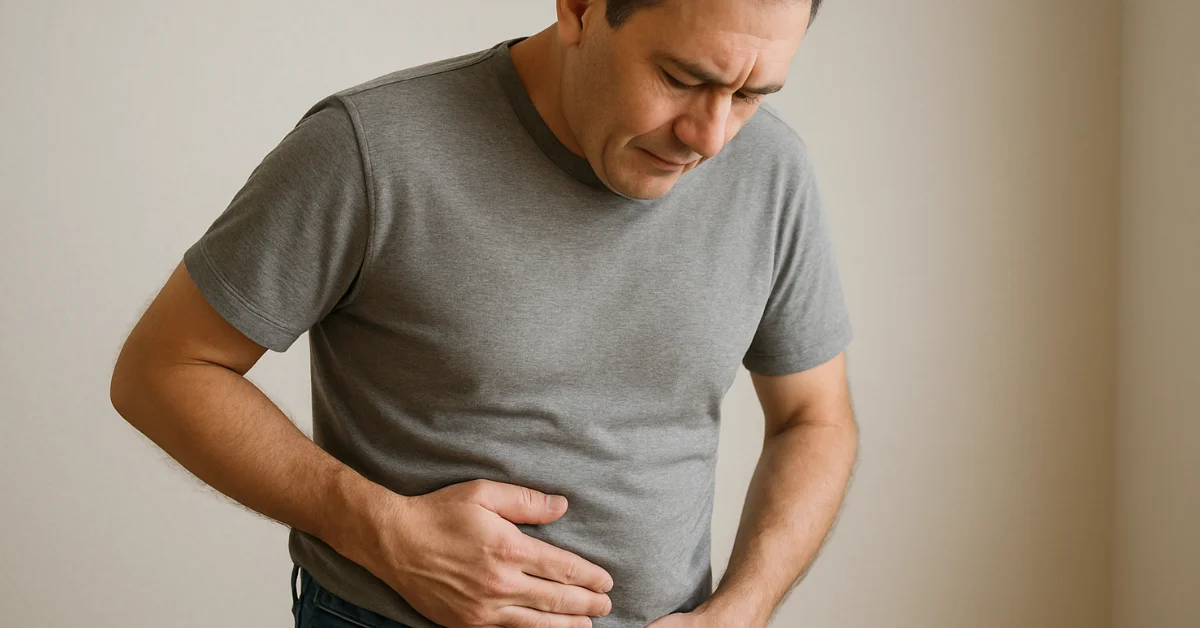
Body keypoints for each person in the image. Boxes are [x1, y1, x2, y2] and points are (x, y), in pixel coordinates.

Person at [109, 0, 857, 626]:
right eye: (680, 78)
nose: (712, 136)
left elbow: (814, 419)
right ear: (579, 9)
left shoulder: (773, 172)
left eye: (753, 94)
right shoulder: (369, 149)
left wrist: (743, 609)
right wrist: (384, 533)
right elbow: (162, 369)